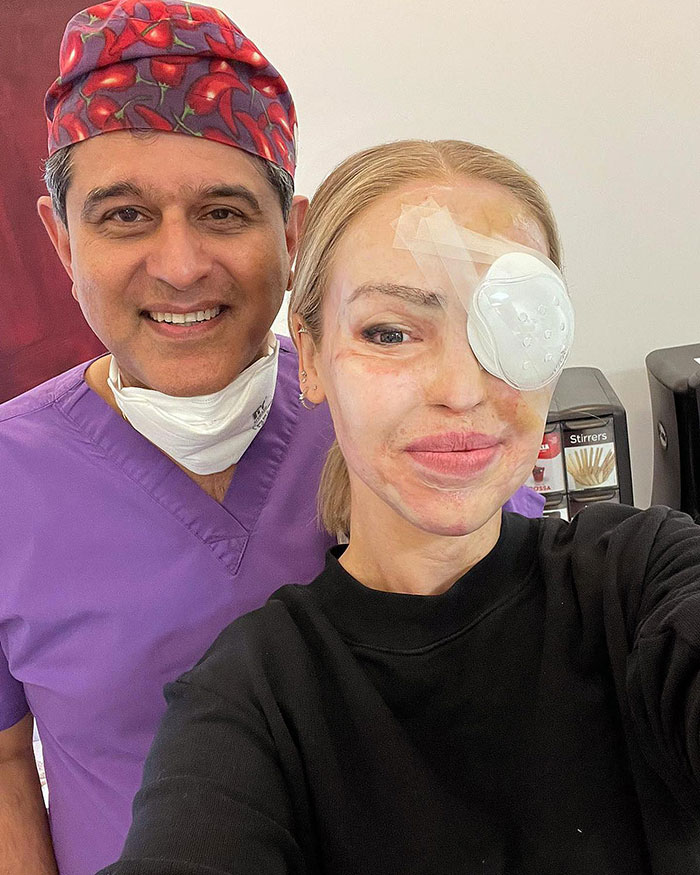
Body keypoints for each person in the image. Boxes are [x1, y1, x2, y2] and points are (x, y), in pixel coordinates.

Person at [0, 6, 542, 875]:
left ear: (292, 237)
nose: (179, 265)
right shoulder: (9, 482)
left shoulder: (411, 430)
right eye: (125, 216)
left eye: (222, 213)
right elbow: (3, 767)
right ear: (62, 238)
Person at [102, 139, 700, 875]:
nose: (463, 388)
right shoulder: (253, 701)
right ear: (314, 359)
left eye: (508, 326)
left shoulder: (644, 581)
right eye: (390, 332)